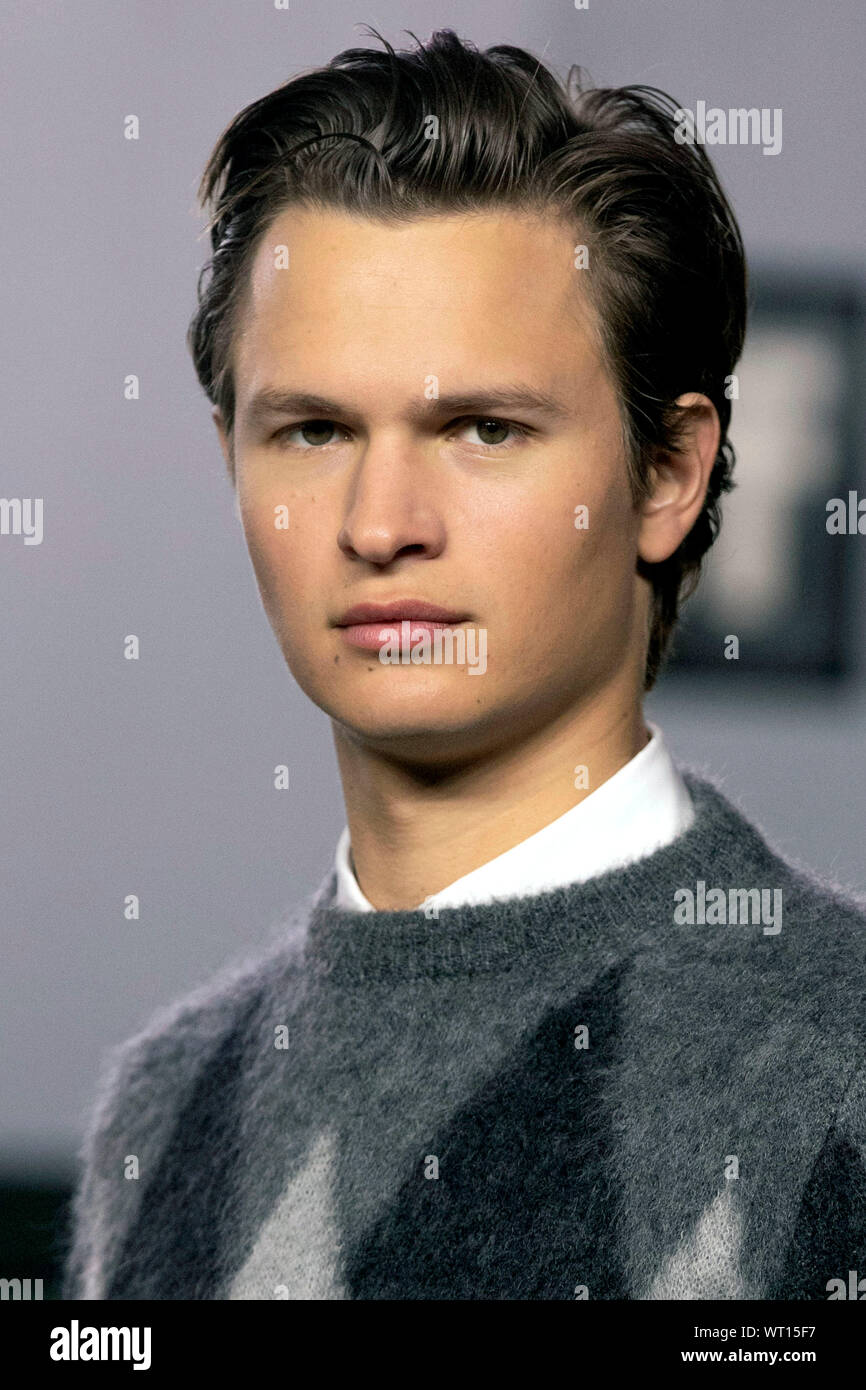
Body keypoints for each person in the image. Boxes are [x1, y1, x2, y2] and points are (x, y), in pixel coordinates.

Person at [62, 28, 866, 1300]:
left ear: (666, 474)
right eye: (314, 429)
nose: (381, 522)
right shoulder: (160, 1115)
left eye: (483, 428)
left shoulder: (841, 1067)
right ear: (233, 461)